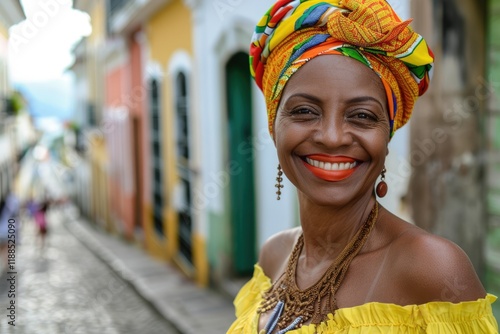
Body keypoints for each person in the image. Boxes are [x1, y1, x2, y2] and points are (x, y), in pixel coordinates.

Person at [227, 0, 498, 333]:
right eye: (305, 111)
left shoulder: (433, 271)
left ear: (387, 135)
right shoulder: (274, 255)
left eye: (362, 116)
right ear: (274, 125)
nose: (331, 137)